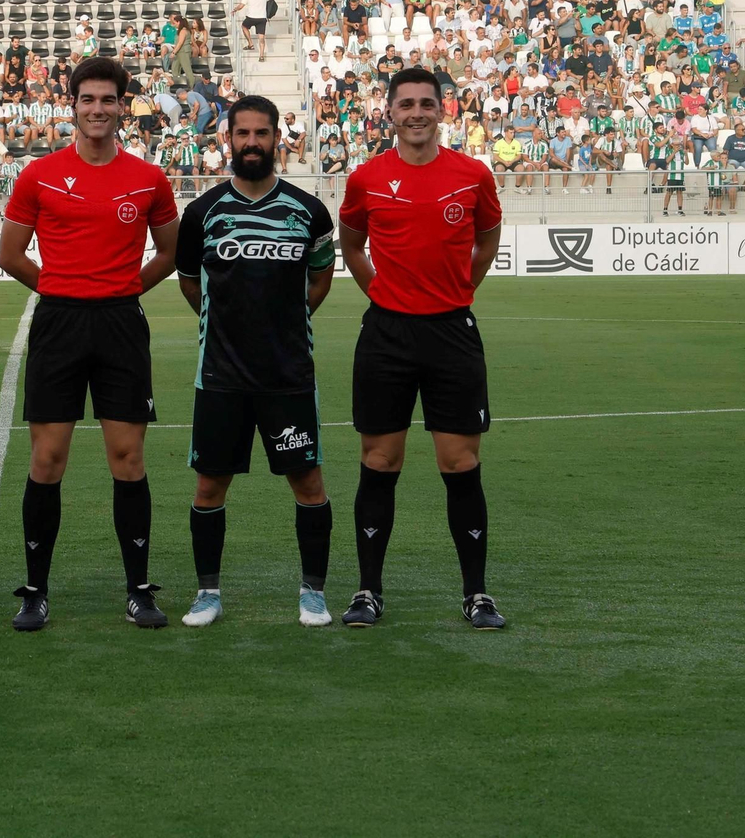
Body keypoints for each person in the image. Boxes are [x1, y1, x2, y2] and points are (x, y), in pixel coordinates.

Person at [0, 57, 181, 631]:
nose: (98, 109)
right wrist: (61, 290)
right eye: (88, 100)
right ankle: (34, 590)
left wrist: (124, 290)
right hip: (59, 325)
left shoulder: (148, 179)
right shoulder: (39, 175)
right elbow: (10, 256)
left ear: (122, 107)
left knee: (127, 459)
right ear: (71, 105)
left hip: (121, 325)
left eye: (109, 100)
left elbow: (170, 253)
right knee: (47, 459)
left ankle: (139, 590)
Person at [336, 68, 506, 631]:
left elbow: (486, 237)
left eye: (426, 104)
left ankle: (476, 594)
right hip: (387, 335)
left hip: (451, 333)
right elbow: (352, 242)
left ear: (442, 111)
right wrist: (377, 289)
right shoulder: (365, 178)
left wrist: (465, 286)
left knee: (460, 463)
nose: (416, 113)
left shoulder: (472, 174)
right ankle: (368, 591)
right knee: (379, 461)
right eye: (405, 103)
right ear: (389, 111)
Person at [174, 95, 336, 629]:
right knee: (208, 488)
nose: (250, 143)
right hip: (220, 375)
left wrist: (285, 323)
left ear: (275, 139)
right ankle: (207, 593)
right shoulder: (201, 214)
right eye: (241, 134)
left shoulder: (309, 211)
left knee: (308, 484)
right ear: (228, 139)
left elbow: (319, 278)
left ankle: (313, 593)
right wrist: (222, 324)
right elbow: (188, 282)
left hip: (289, 375)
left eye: (260, 134)